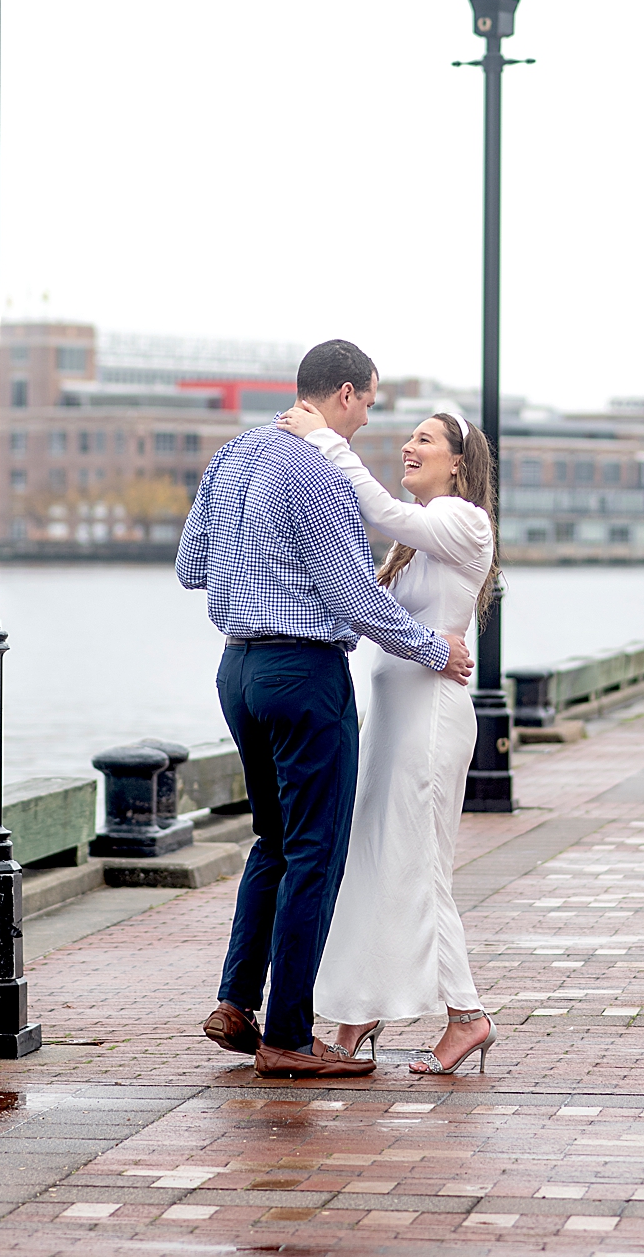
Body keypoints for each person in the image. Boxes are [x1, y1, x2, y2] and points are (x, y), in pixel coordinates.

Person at [176, 339, 474, 1080]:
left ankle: (236, 1001)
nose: (371, 419)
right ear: (343, 394)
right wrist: (434, 650)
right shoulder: (319, 472)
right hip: (304, 674)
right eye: (370, 402)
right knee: (315, 852)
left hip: (236, 671)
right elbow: (351, 596)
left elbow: (191, 567)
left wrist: (258, 574)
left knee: (271, 842)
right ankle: (287, 1035)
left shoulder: (232, 457)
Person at [277, 401, 498, 1075]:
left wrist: (325, 442)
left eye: (424, 439)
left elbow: (383, 509)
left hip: (429, 722)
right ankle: (354, 1013)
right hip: (392, 721)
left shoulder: (462, 521)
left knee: (420, 866)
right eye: (408, 436)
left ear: (458, 462)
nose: (408, 445)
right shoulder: (417, 542)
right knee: (370, 862)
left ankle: (467, 1016)